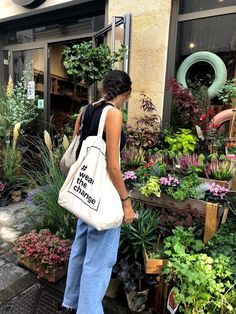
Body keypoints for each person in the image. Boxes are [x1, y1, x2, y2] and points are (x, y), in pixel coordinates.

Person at [61, 70, 135, 314]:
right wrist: (126, 202)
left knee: (80, 249)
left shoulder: (84, 111)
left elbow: (77, 149)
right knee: (99, 261)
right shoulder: (113, 114)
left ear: (105, 88)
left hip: (84, 192)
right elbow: (113, 166)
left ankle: (70, 303)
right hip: (102, 194)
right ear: (127, 93)